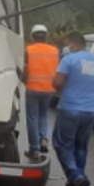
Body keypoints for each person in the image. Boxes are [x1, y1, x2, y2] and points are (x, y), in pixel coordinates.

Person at [52, 32, 94, 186]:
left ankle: (76, 176)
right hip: (92, 110)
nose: (65, 48)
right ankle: (77, 183)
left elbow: (57, 83)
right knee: (81, 146)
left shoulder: (69, 60)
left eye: (66, 44)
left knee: (62, 144)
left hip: (70, 108)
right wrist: (90, 89)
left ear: (73, 45)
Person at [24, 24, 60, 158]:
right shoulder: (55, 51)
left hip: (33, 87)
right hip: (49, 88)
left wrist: (23, 80)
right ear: (46, 37)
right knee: (44, 115)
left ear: (32, 37)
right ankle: (43, 139)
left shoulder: (28, 50)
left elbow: (25, 70)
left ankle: (34, 149)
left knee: (32, 117)